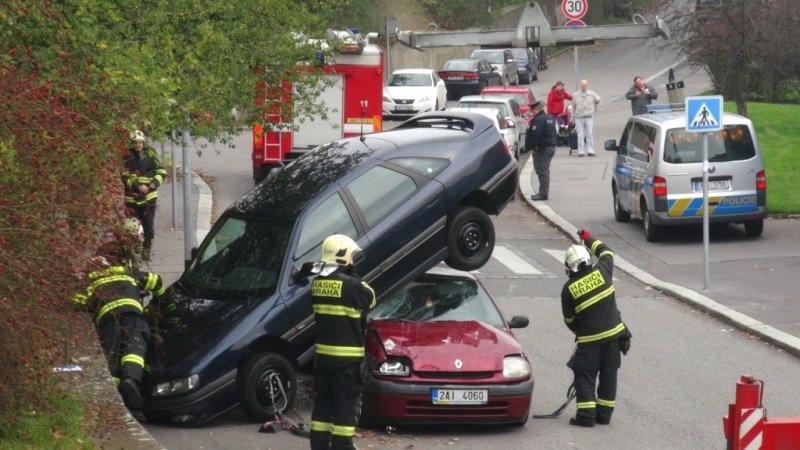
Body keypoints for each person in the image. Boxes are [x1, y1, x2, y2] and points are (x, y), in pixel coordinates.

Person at [73, 235, 166, 410]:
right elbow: (156, 281)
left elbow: (78, 303)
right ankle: (131, 379)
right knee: (135, 347)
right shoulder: (129, 273)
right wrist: (159, 300)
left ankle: (117, 402)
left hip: (108, 319)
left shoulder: (90, 280)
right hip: (131, 314)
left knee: (112, 355)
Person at [309, 234, 376, 450]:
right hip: (347, 362)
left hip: (323, 360)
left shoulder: (317, 284)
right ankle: (342, 446)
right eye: (351, 257)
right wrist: (353, 275)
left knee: (323, 407)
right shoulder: (352, 286)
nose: (353, 261)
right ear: (342, 256)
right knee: (345, 408)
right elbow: (371, 298)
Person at [561, 229, 627, 427]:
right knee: (609, 375)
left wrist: (582, 331)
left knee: (585, 375)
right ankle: (604, 415)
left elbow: (569, 320)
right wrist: (588, 238)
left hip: (589, 341)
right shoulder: (603, 270)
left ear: (569, 267)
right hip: (615, 337)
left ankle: (586, 417)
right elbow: (607, 252)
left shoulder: (569, 289)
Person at [123, 130, 166, 261]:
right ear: (132, 143)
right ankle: (133, 251)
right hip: (132, 198)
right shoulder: (127, 157)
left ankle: (146, 248)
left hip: (149, 197)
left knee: (148, 224)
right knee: (132, 226)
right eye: (135, 143)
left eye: (140, 142)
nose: (138, 145)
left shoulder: (151, 154)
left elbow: (161, 171)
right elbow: (124, 175)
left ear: (143, 142)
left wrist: (152, 185)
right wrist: (137, 186)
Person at [522, 100, 558, 201]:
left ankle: (543, 193)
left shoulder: (539, 120)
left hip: (542, 149)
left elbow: (534, 135)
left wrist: (528, 147)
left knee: (542, 171)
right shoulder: (548, 118)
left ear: (537, 109)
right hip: (549, 147)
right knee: (544, 171)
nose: (531, 111)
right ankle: (543, 192)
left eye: (532, 109)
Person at [572, 80, 601, 157]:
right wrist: (572, 118)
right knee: (580, 135)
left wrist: (595, 109)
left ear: (587, 86)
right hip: (579, 117)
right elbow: (573, 107)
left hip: (589, 117)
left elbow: (598, 100)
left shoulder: (592, 94)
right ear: (580, 86)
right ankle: (581, 151)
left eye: (585, 85)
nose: (583, 87)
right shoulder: (575, 95)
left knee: (589, 134)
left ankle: (590, 150)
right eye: (582, 85)